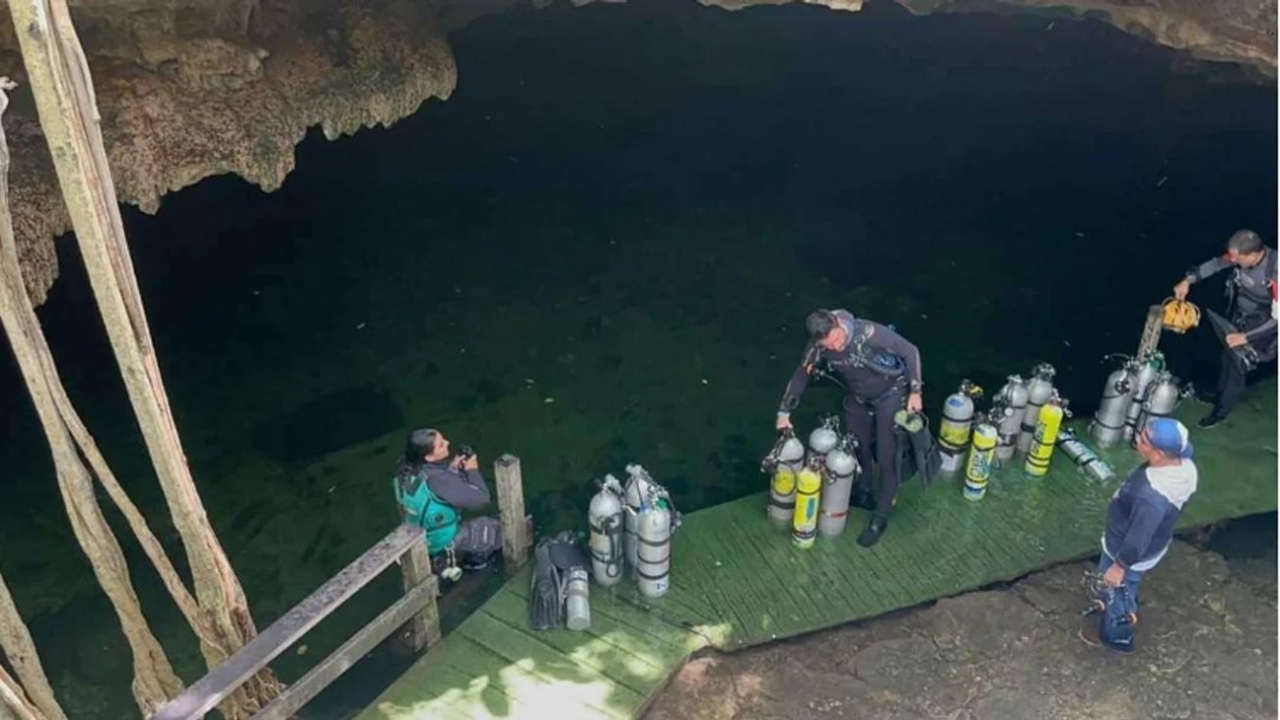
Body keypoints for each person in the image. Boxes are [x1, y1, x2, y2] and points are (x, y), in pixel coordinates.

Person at [776, 308, 924, 547]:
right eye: (828, 344)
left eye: (836, 339)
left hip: (890, 393)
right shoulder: (819, 347)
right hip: (859, 397)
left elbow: (910, 351)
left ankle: (880, 517)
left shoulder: (869, 333)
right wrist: (784, 412)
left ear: (838, 325)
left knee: (887, 456)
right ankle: (863, 491)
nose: (835, 346)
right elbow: (802, 374)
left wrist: (915, 391)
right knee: (857, 447)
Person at [1080, 418, 1198, 654]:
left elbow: (1138, 538)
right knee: (1121, 587)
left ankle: (1117, 636)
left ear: (1159, 453)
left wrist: (1119, 566)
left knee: (1117, 590)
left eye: (1143, 439)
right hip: (1154, 543)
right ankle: (1115, 602)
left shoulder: (1151, 498)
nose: (1138, 439)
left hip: (1126, 552)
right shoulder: (1184, 467)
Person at [1173, 229, 1277, 429]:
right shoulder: (1240, 256)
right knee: (1227, 355)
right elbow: (1217, 263)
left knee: (1238, 364)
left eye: (1238, 258)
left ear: (1253, 255)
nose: (1233, 261)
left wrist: (1246, 337)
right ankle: (1220, 393)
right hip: (1240, 315)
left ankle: (1222, 409)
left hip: (1262, 325)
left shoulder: (1275, 272)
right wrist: (1188, 280)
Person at [392, 428, 502, 578]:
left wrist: (452, 469)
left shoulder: (403, 472)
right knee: (493, 527)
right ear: (429, 457)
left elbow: (432, 490)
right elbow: (482, 498)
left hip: (420, 538)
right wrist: (472, 470)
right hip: (441, 543)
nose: (447, 443)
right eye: (441, 445)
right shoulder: (438, 480)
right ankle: (474, 563)